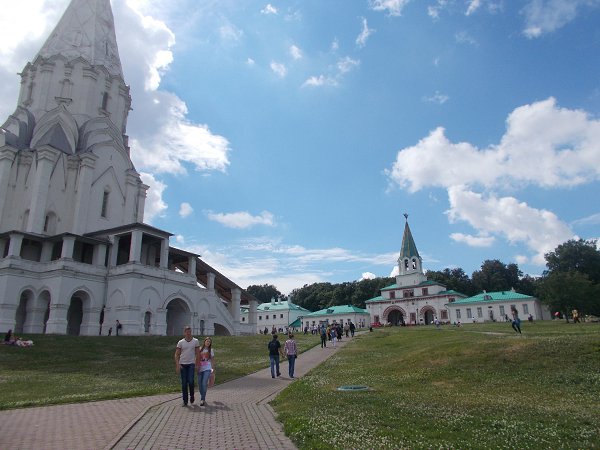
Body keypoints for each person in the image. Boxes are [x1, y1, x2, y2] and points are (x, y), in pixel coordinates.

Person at [174, 325, 200, 407]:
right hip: (183, 364)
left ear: (191, 332)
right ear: (184, 333)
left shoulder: (195, 341)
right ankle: (185, 400)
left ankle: (192, 395)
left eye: (189, 332)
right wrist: (177, 365)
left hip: (191, 364)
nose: (188, 333)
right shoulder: (181, 342)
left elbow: (198, 353)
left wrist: (197, 364)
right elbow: (177, 354)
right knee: (184, 383)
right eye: (187, 332)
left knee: (191, 381)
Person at [197, 337, 215, 406]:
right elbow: (197, 359)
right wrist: (197, 366)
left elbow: (212, 360)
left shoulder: (211, 350)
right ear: (204, 342)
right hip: (200, 368)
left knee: (204, 383)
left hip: (207, 368)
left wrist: (213, 369)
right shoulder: (200, 349)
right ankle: (203, 395)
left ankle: (202, 399)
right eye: (207, 341)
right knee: (199, 383)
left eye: (209, 342)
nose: (208, 342)